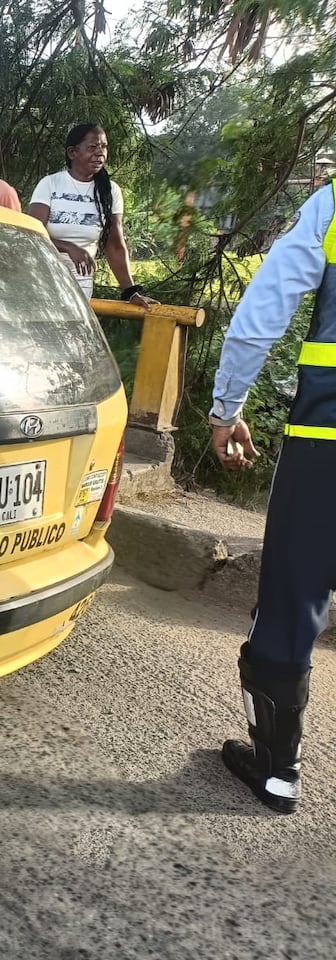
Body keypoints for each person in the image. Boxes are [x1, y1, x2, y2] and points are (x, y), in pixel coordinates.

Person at [209, 181, 336, 814]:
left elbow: (263, 311)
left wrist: (226, 407)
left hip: (327, 443)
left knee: (292, 597)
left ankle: (278, 769)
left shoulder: (334, 204)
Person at [28, 122, 154, 304]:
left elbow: (115, 245)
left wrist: (130, 291)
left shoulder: (110, 191)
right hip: (43, 277)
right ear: (73, 153)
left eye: (104, 147)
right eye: (93, 147)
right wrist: (68, 247)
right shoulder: (50, 184)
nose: (100, 152)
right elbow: (33, 234)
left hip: (80, 283)